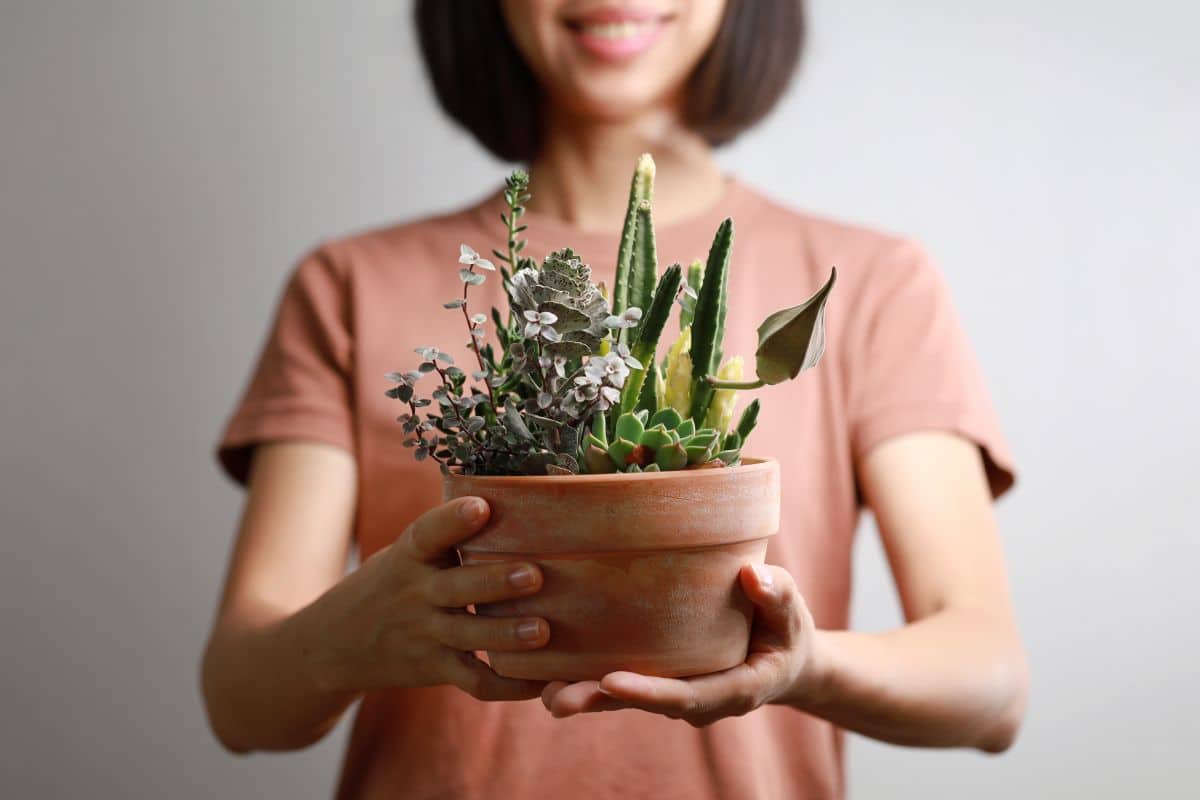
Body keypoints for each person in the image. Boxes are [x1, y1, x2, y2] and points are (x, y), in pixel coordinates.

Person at [201, 2, 1029, 798]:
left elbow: (989, 684)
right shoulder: (348, 287)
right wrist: (356, 635)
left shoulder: (872, 285)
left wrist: (806, 666)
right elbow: (239, 702)